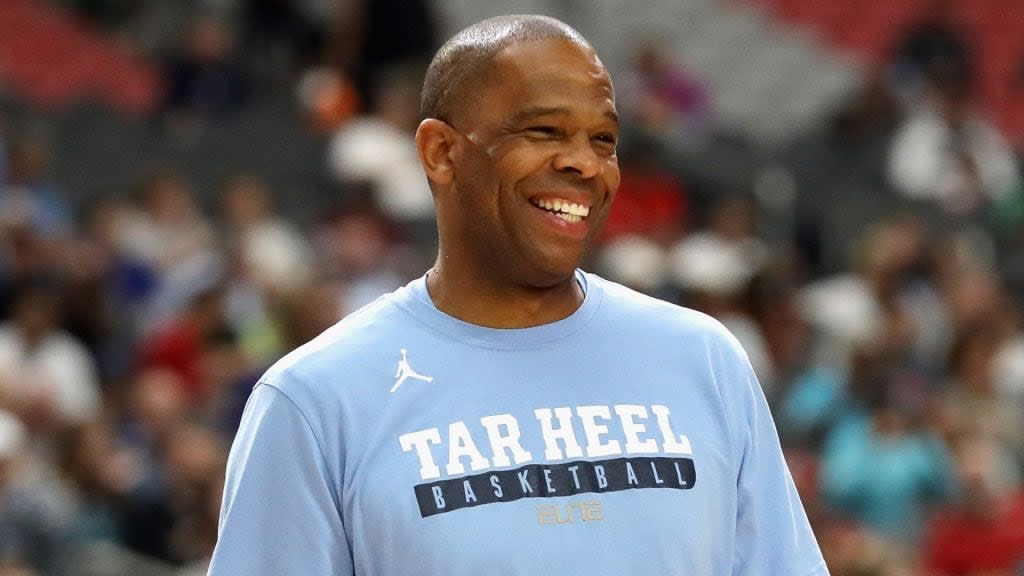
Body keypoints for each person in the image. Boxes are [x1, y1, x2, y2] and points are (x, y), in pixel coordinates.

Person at [209, 15, 827, 575]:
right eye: (545, 130)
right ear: (441, 152)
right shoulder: (316, 401)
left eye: (604, 140)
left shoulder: (704, 360)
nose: (585, 164)